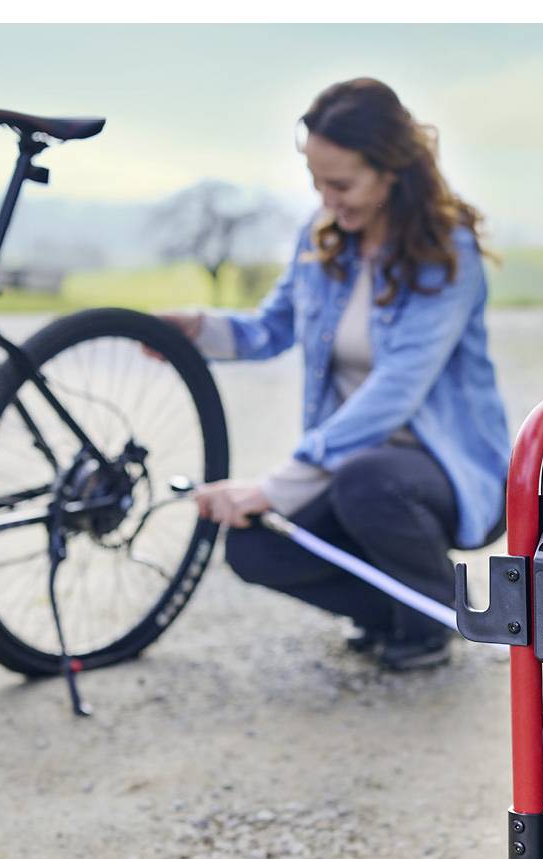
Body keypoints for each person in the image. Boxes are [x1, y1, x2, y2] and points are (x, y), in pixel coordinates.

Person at [162, 78, 511, 670]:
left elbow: (395, 389)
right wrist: (195, 329)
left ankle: (428, 620)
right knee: (253, 548)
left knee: (365, 480)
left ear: (391, 171)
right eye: (317, 182)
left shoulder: (446, 254)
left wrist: (279, 483)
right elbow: (268, 330)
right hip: (349, 465)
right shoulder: (323, 238)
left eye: (342, 184)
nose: (326, 199)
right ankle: (403, 612)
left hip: (441, 471)